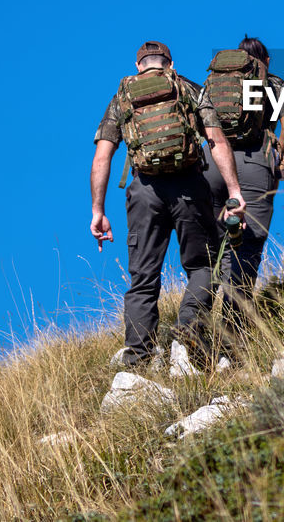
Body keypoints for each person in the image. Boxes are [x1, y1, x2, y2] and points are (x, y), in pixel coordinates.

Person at [90, 40, 247, 370]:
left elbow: (102, 155)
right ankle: (188, 331)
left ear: (139, 66)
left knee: (143, 279)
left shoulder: (122, 96)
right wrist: (234, 192)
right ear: (169, 63)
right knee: (204, 265)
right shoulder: (185, 87)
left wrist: (98, 210)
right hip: (189, 185)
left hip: (144, 191)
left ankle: (138, 360)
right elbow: (215, 140)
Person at [203, 35, 284, 356]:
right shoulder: (276, 84)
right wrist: (280, 157)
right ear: (267, 61)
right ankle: (229, 345)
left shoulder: (215, 84)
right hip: (254, 163)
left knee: (208, 249)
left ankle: (193, 327)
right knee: (245, 250)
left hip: (211, 164)